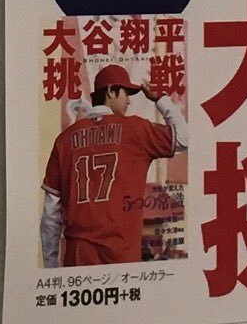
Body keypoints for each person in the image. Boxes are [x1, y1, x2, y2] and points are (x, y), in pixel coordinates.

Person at [40, 64, 189, 268]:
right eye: (125, 93)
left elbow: (51, 214)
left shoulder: (64, 140)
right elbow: (184, 138)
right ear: (111, 91)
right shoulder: (136, 130)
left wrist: (51, 267)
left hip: (78, 258)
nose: (128, 101)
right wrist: (160, 99)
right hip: (122, 258)